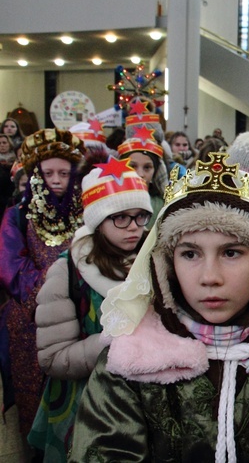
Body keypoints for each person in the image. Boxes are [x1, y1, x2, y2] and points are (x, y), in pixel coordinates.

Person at [69, 152, 249, 461]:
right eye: (190, 254)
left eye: (231, 253)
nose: (210, 277)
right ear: (166, 265)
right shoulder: (132, 360)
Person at [28, 155, 152, 460]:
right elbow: (53, 357)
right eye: (120, 217)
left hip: (149, 403)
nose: (134, 227)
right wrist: (112, 343)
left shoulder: (159, 257)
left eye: (141, 216)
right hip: (87, 404)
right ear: (98, 220)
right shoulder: (68, 271)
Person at [0, 129, 85, 442]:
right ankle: (35, 447)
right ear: (36, 175)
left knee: (74, 390)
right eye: (48, 173)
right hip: (29, 322)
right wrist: (56, 288)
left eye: (64, 173)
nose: (56, 180)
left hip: (78, 316)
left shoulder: (86, 214)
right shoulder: (17, 216)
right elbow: (11, 268)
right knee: (33, 391)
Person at [117, 132, 167, 229]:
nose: (140, 174)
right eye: (132, 166)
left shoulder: (162, 206)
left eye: (147, 167)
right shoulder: (111, 201)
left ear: (155, 172)